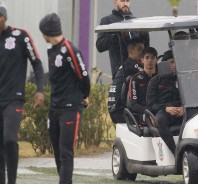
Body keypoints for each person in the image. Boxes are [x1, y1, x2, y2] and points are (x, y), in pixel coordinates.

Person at [39, 13, 90, 184]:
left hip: (70, 108)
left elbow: (84, 77)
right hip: (54, 108)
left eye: (43, 32)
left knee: (66, 150)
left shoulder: (71, 49)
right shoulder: (51, 50)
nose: (42, 35)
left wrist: (85, 96)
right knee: (57, 150)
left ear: (48, 32)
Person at [0, 2, 44, 183]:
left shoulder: (20, 36)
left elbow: (37, 63)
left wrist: (40, 90)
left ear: (4, 18)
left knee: (10, 140)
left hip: (13, 99)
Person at [96, 0, 149, 78]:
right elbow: (100, 46)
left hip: (139, 70)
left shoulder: (136, 21)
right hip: (120, 72)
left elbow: (146, 47)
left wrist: (145, 35)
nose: (125, 4)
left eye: (127, 1)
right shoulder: (107, 20)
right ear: (115, 2)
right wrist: (118, 35)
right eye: (122, 1)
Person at [146, 50, 183, 155]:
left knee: (196, 114)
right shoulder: (154, 81)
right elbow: (151, 104)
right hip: (166, 112)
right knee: (160, 120)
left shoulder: (183, 79)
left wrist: (184, 108)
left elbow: (192, 97)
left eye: (176, 61)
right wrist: (166, 108)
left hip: (182, 111)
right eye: (171, 62)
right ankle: (176, 153)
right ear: (164, 63)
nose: (174, 65)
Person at [108, 38, 144, 124]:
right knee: (153, 117)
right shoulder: (132, 66)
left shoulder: (126, 65)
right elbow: (149, 72)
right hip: (120, 112)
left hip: (116, 111)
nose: (142, 53)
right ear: (130, 50)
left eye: (143, 50)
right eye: (139, 49)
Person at [128, 47, 158, 123]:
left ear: (156, 60)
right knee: (157, 121)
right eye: (147, 58)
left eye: (152, 58)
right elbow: (134, 105)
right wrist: (149, 112)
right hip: (142, 113)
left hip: (160, 111)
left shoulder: (161, 78)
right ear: (142, 60)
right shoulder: (135, 79)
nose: (150, 60)